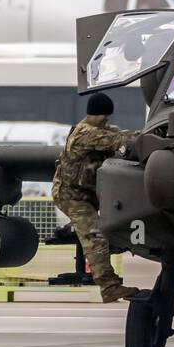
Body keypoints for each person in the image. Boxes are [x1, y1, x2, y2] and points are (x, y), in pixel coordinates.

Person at [52, 93, 141, 302]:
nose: (106, 119)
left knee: (111, 235)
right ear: (93, 114)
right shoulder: (85, 134)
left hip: (86, 194)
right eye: (103, 116)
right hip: (72, 196)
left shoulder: (99, 130)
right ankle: (109, 287)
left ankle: (76, 233)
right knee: (96, 239)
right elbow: (118, 140)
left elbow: (119, 134)